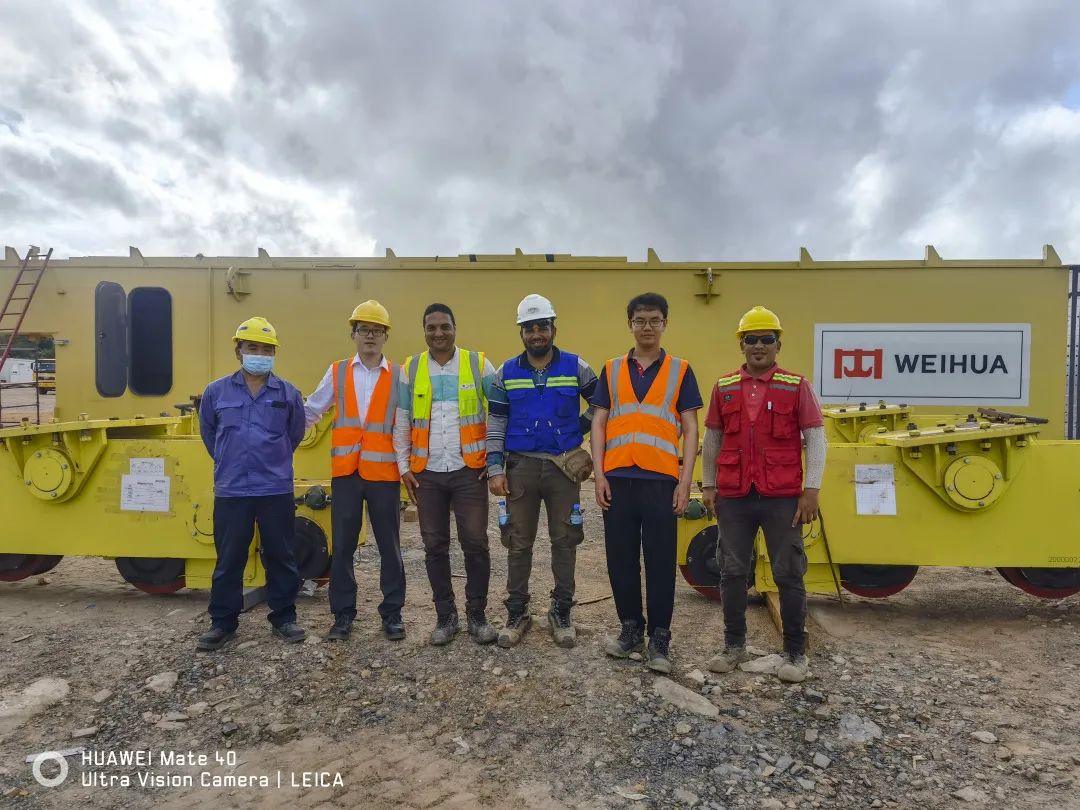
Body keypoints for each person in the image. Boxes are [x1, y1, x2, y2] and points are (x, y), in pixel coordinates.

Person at [701, 306, 826, 683]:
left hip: (782, 496)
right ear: (741, 344)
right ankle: (734, 647)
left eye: (766, 339)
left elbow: (816, 440)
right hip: (734, 495)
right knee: (732, 571)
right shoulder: (724, 387)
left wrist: (811, 491)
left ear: (778, 344)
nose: (759, 345)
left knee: (788, 571)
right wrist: (708, 485)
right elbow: (713, 439)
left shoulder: (796, 385)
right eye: (751, 339)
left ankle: (795, 653)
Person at [591, 293, 702, 673]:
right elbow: (599, 422)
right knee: (620, 559)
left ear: (665, 323)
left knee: (659, 561)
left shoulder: (680, 370)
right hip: (618, 478)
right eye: (640, 320)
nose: (647, 327)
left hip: (660, 481)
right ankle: (630, 629)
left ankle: (659, 637)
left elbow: (691, 427)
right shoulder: (611, 369)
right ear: (630, 324)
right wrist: (599, 474)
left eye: (655, 320)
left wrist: (685, 482)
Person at [486, 294, 598, 648]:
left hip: (563, 468)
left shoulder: (577, 367)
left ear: (553, 328)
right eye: (529, 328)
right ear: (521, 332)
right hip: (520, 467)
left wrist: (577, 430)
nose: (537, 333)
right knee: (517, 541)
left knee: (565, 539)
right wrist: (495, 467)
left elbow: (602, 404)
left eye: (543, 326)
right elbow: (496, 421)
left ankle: (561, 610)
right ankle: (517, 611)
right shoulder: (506, 372)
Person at [196, 317, 307, 651]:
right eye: (252, 348)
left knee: (281, 555)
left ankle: (284, 618)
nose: (259, 354)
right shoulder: (215, 392)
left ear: (274, 353)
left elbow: (294, 434)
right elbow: (209, 434)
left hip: (275, 488)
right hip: (232, 489)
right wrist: (229, 459)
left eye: (266, 350)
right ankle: (222, 622)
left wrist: (272, 460)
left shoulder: (288, 393)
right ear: (238, 350)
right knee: (229, 558)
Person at [394, 303, 499, 646]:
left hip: (470, 471)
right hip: (428, 474)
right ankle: (446, 617)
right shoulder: (411, 369)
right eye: (431, 327)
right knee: (434, 546)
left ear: (455, 328)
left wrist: (495, 458)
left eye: (444, 326)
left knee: (475, 543)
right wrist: (404, 466)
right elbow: (402, 419)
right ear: (424, 331)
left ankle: (477, 615)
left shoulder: (478, 364)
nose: (438, 333)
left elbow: (500, 412)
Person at [304, 300, 406, 642]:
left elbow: (408, 423)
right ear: (353, 334)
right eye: (364, 329)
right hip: (347, 473)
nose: (370, 336)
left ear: (386, 336)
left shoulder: (399, 376)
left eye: (377, 330)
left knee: (390, 547)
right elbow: (312, 410)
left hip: (385, 475)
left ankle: (392, 614)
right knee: (343, 546)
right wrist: (283, 436)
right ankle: (343, 615)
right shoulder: (337, 372)